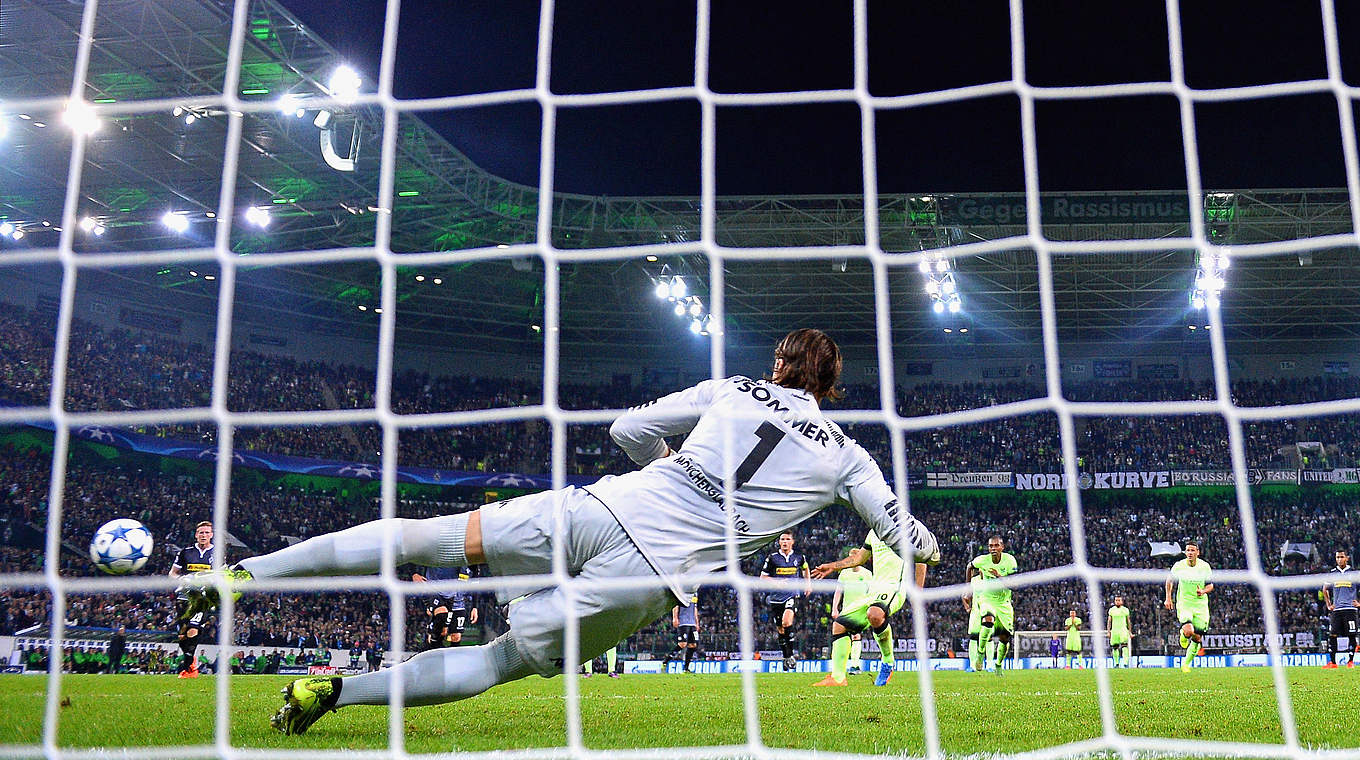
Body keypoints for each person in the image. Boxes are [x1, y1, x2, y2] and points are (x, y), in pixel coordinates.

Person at [178, 328, 940, 735]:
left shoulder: (731, 388)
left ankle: (245, 575)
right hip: (648, 577)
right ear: (830, 387)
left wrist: (667, 464)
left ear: (777, 364)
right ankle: (338, 693)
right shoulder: (847, 456)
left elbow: (625, 425)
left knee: (426, 536)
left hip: (601, 506)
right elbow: (907, 538)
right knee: (499, 661)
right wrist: (926, 545)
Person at [810, 528, 929, 688]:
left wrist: (918, 591)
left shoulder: (908, 527)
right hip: (874, 589)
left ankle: (887, 662)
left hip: (895, 587)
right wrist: (833, 566)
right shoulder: (873, 532)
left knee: (875, 614)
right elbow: (859, 558)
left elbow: (921, 558)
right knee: (839, 625)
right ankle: (838, 677)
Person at [759, 531, 812, 671]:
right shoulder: (772, 558)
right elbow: (763, 578)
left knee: (787, 622)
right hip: (776, 598)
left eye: (787, 539)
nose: (784, 542)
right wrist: (776, 582)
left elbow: (806, 569)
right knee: (781, 630)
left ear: (792, 542)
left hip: (792, 595)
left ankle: (791, 655)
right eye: (782, 539)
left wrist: (808, 584)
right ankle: (787, 656)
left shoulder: (799, 558)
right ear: (779, 542)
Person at [169, 521, 216, 679]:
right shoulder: (185, 552)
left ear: (211, 535)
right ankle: (191, 660)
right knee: (182, 635)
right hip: (184, 596)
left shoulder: (217, 553)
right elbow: (173, 573)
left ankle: (188, 669)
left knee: (193, 627)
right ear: (196, 535)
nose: (203, 535)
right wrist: (183, 579)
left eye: (206, 533)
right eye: (201, 533)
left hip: (203, 597)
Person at [966, 536, 1017, 674]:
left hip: (1004, 603)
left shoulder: (1010, 561)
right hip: (987, 599)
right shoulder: (982, 560)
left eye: (996, 546)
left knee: (1005, 638)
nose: (993, 549)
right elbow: (969, 566)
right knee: (988, 619)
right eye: (990, 546)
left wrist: (999, 576)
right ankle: (981, 653)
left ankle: (998, 664)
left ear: (1002, 547)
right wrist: (968, 586)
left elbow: (1014, 585)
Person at [1164, 541, 1213, 673]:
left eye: (1192, 550)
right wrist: (1168, 598)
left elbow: (1210, 585)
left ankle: (1186, 664)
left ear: (1198, 552)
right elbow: (1169, 580)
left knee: (1197, 638)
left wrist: (1203, 591)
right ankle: (1183, 634)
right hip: (1184, 603)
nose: (1189, 553)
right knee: (1188, 631)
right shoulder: (1179, 566)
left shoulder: (1204, 566)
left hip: (1200, 605)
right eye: (1187, 550)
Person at [831, 557, 871, 675]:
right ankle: (841, 666)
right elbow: (838, 591)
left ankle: (854, 665)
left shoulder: (867, 574)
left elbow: (872, 591)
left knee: (855, 636)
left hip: (860, 610)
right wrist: (834, 608)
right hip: (846, 610)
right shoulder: (844, 573)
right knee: (842, 637)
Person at [1322, 549, 1359, 668]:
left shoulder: (1354, 573)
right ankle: (1333, 663)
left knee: (1351, 635)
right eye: (1337, 557)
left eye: (1341, 557)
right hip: (1337, 610)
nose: (1339, 559)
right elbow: (1325, 589)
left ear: (1347, 558)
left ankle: (1350, 661)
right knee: (1332, 634)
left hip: (1350, 609)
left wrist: (1359, 603)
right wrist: (1329, 604)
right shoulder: (1332, 573)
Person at [661, 593, 700, 673]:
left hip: (692, 623)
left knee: (693, 645)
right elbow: (675, 605)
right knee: (682, 644)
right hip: (683, 622)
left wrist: (697, 622)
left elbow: (694, 608)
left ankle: (686, 669)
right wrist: (675, 618)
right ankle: (665, 661)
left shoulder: (695, 594)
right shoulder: (683, 592)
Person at [1107, 596, 1132, 668]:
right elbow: (1109, 621)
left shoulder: (1125, 610)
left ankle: (1125, 663)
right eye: (1116, 600)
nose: (1117, 601)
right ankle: (1116, 663)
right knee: (1115, 647)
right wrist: (1109, 631)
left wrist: (1130, 631)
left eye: (1119, 600)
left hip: (1123, 630)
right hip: (1114, 630)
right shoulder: (1111, 610)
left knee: (1124, 646)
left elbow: (1128, 621)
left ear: (1122, 601)